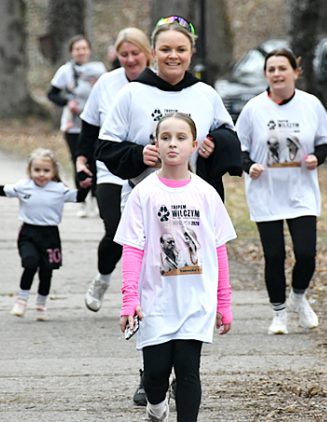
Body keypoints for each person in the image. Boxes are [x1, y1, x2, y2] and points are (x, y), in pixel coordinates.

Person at [96, 16, 239, 406]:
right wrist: (135, 154)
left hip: (193, 202)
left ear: (191, 53)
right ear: (152, 54)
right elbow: (104, 147)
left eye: (180, 49)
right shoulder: (132, 94)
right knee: (153, 290)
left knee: (186, 293)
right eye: (165, 49)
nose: (173, 56)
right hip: (145, 202)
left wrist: (213, 144)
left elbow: (231, 139)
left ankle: (181, 370)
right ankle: (152, 370)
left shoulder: (205, 94)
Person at [118, 112, 235, 422]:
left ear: (194, 145)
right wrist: (129, 299)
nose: (172, 144)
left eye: (181, 138)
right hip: (155, 301)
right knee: (155, 376)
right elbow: (132, 248)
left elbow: (218, 248)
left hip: (195, 301)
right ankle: (156, 407)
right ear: (155, 143)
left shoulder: (206, 193)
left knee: (188, 371)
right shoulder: (143, 193)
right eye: (165, 137)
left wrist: (224, 301)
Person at [235, 48, 327, 335]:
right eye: (271, 69)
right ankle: (279, 314)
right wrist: (249, 165)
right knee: (275, 256)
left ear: (295, 72)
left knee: (306, 254)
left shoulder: (311, 104)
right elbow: (238, 145)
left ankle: (298, 298)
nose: (277, 74)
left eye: (282, 68)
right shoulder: (254, 108)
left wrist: (318, 157)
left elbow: (325, 141)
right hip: (265, 192)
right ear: (266, 75)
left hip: (300, 191)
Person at [75, 27, 152, 314]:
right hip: (110, 170)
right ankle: (103, 278)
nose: (130, 60)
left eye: (135, 54)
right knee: (117, 229)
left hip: (149, 171)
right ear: (116, 56)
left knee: (149, 234)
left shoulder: (158, 85)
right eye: (124, 55)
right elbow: (90, 127)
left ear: (148, 54)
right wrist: (81, 159)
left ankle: (144, 292)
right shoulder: (106, 83)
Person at [0, 148, 90, 320]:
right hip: (28, 233)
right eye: (37, 170)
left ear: (53, 172)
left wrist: (85, 186)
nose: (41, 175)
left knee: (46, 271)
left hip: (50, 235)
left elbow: (79, 198)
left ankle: (41, 304)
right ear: (30, 170)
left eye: (46, 171)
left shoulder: (59, 189)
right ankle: (21, 301)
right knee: (30, 264)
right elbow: (4, 190)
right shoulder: (23, 186)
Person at [47, 35, 106, 217]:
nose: (81, 52)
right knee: (78, 161)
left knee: (96, 161)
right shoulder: (65, 71)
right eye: (77, 49)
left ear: (89, 50)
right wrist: (67, 102)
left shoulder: (99, 69)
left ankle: (95, 200)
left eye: (84, 48)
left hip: (96, 123)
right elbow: (52, 94)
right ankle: (81, 200)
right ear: (72, 52)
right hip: (74, 124)